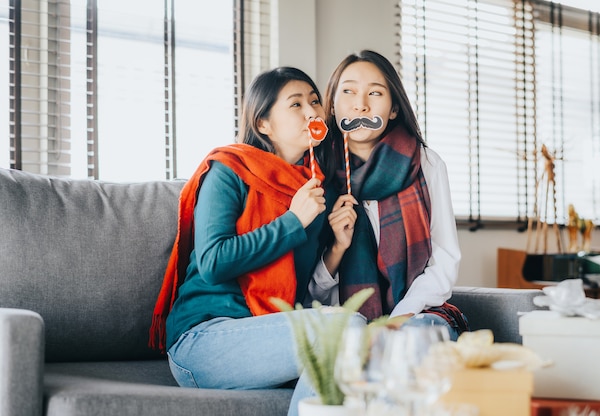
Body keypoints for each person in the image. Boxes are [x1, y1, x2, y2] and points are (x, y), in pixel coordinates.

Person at [148, 66, 356, 414]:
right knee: (344, 328)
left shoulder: (317, 190)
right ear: (263, 123)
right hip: (203, 339)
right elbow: (214, 263)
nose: (312, 112)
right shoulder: (228, 170)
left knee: (354, 339)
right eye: (296, 104)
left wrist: (336, 248)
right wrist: (293, 221)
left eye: (315, 101)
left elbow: (298, 297)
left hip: (268, 336)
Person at [311, 50, 468, 340]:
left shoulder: (427, 164)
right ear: (332, 105)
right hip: (344, 323)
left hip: (416, 315)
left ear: (394, 109)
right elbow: (310, 292)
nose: (361, 105)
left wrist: (398, 320)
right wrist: (337, 248)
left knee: (413, 339)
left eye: (375, 93)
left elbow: (444, 262)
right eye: (348, 91)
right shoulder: (314, 172)